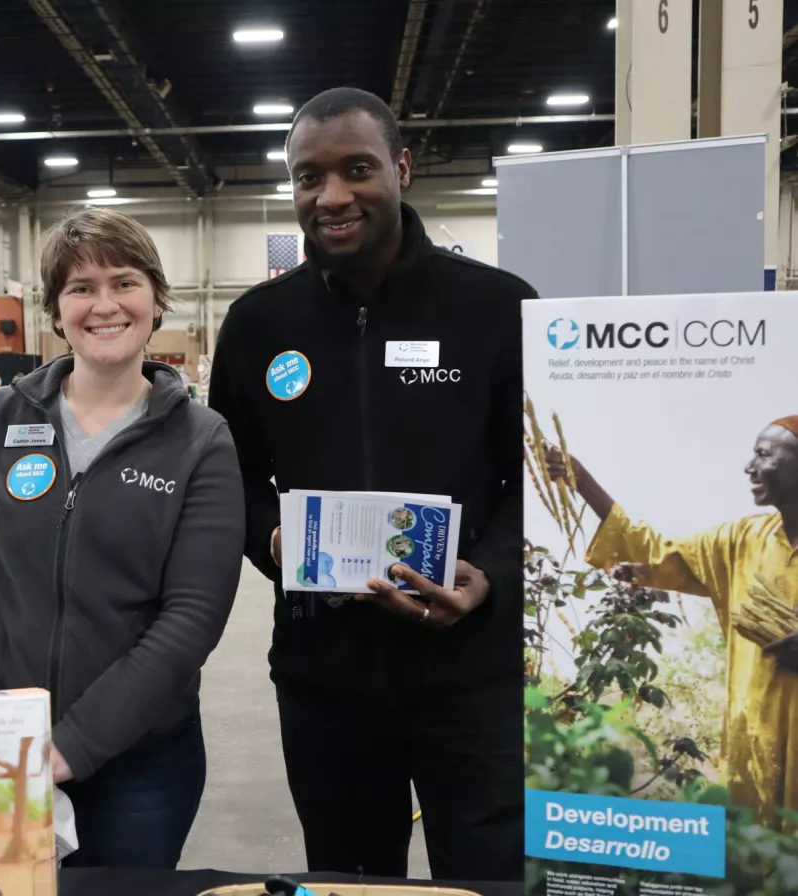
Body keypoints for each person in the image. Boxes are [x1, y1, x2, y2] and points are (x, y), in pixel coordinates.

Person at [208, 87, 536, 881]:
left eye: (356, 169)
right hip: (326, 677)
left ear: (402, 167)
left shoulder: (497, 308)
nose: (331, 196)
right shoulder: (257, 324)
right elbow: (228, 473)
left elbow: (535, 473)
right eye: (307, 176)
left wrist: (490, 574)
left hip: (472, 672)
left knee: (488, 875)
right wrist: (272, 538)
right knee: (349, 879)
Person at [0, 208, 244, 869]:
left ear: (156, 299)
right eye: (81, 288)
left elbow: (192, 617)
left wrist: (72, 746)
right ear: (55, 310)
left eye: (124, 282)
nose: (105, 305)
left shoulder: (201, 440)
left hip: (141, 766)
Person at [545, 417, 798, 827]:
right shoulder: (742, 540)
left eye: (763, 454)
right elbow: (654, 550)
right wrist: (582, 480)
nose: (748, 467)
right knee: (755, 853)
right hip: (755, 744)